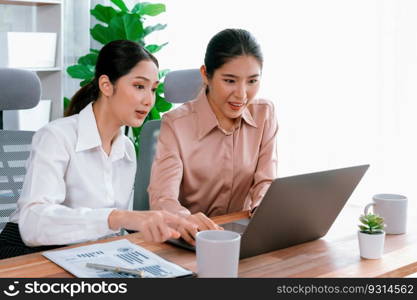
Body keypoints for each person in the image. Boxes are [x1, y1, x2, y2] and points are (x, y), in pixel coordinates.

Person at [0, 40, 195, 259]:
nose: (149, 100)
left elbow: (106, 230)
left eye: (153, 89)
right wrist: (118, 218)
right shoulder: (56, 136)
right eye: (139, 86)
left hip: (82, 253)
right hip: (25, 254)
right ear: (106, 85)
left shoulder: (126, 149)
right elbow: (33, 225)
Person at [148, 29, 278, 245]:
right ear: (205, 75)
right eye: (230, 81)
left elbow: (265, 182)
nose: (242, 94)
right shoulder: (175, 125)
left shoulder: (264, 114)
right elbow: (162, 198)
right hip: (192, 240)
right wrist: (184, 219)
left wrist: (263, 211)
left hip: (244, 239)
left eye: (252, 81)